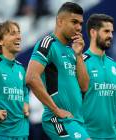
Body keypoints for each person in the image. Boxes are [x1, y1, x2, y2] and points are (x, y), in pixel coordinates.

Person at [26, 2, 90, 140]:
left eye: (80, 23)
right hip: (58, 119)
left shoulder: (72, 51)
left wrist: (79, 55)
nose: (79, 28)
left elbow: (84, 86)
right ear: (60, 21)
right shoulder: (48, 43)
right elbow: (31, 77)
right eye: (74, 22)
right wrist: (55, 110)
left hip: (77, 120)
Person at [82, 14, 116, 139]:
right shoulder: (81, 64)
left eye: (112, 31)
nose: (111, 36)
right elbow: (72, 105)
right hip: (88, 136)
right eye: (106, 31)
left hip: (113, 137)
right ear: (93, 32)